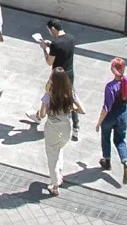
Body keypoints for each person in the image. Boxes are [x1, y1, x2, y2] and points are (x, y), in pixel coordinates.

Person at [32, 67, 84, 196]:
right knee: (59, 148)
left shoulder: (48, 96)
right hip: (66, 128)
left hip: (52, 129)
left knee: (52, 158)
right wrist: (72, 108)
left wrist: (39, 113)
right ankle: (59, 174)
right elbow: (83, 110)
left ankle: (55, 185)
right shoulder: (70, 94)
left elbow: (43, 114)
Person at [31, 18, 78, 138]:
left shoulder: (56, 44)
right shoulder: (71, 38)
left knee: (50, 95)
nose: (50, 33)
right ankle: (76, 127)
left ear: (53, 29)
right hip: (69, 73)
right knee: (71, 97)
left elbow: (49, 61)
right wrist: (50, 44)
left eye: (49, 31)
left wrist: (45, 49)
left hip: (57, 76)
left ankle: (40, 115)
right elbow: (63, 47)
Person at [97, 57, 127, 184]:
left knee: (106, 137)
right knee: (120, 140)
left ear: (113, 70)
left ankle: (107, 161)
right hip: (123, 114)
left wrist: (99, 122)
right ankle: (125, 162)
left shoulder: (110, 87)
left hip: (110, 117)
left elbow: (106, 107)